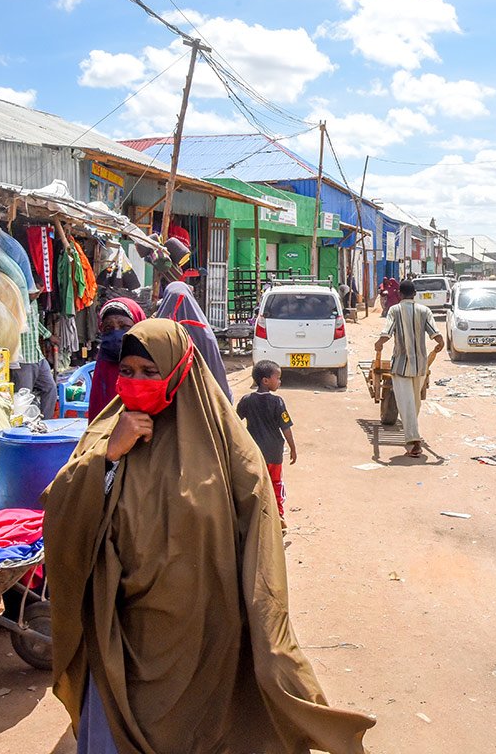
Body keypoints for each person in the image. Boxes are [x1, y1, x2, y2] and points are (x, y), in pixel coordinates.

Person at [42, 319, 374, 754]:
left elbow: (259, 535)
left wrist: (268, 633)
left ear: (179, 370)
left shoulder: (226, 445)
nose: (136, 382)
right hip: (120, 632)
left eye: (150, 371)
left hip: (204, 635)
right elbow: (61, 513)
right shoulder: (107, 432)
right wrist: (108, 457)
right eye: (128, 372)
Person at [374, 280, 444, 459]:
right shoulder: (424, 310)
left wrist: (379, 343)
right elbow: (435, 335)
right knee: (414, 403)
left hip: (401, 365)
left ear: (400, 293)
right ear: (415, 294)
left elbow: (387, 332)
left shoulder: (394, 310)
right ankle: (412, 437)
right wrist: (439, 344)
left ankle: (414, 441)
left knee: (406, 405)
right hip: (420, 366)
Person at [236, 360, 296, 528]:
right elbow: (286, 427)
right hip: (275, 453)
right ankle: (279, 515)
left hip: (254, 452)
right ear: (266, 380)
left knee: (256, 483)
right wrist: (292, 447)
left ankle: (257, 517)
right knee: (276, 482)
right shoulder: (277, 402)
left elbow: (234, 422)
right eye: (277, 377)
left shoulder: (246, 400)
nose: (280, 381)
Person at [155, 282, 232, 403]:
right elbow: (215, 370)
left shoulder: (156, 333)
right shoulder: (205, 335)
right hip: (199, 398)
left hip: (166, 399)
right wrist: (224, 400)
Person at [87, 297, 146, 420]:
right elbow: (97, 410)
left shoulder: (150, 362)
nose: (116, 334)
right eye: (108, 328)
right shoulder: (103, 362)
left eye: (124, 326)